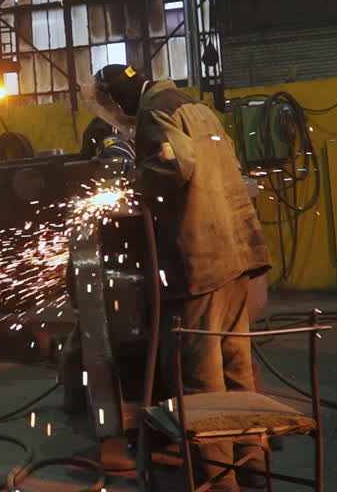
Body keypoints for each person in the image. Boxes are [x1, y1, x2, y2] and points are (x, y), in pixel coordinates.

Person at [91, 64, 270, 492]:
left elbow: (176, 166)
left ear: (118, 101)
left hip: (201, 262)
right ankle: (254, 472)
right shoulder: (194, 105)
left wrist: (132, 185)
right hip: (237, 254)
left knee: (200, 380)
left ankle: (219, 485)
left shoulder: (156, 112)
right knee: (237, 370)